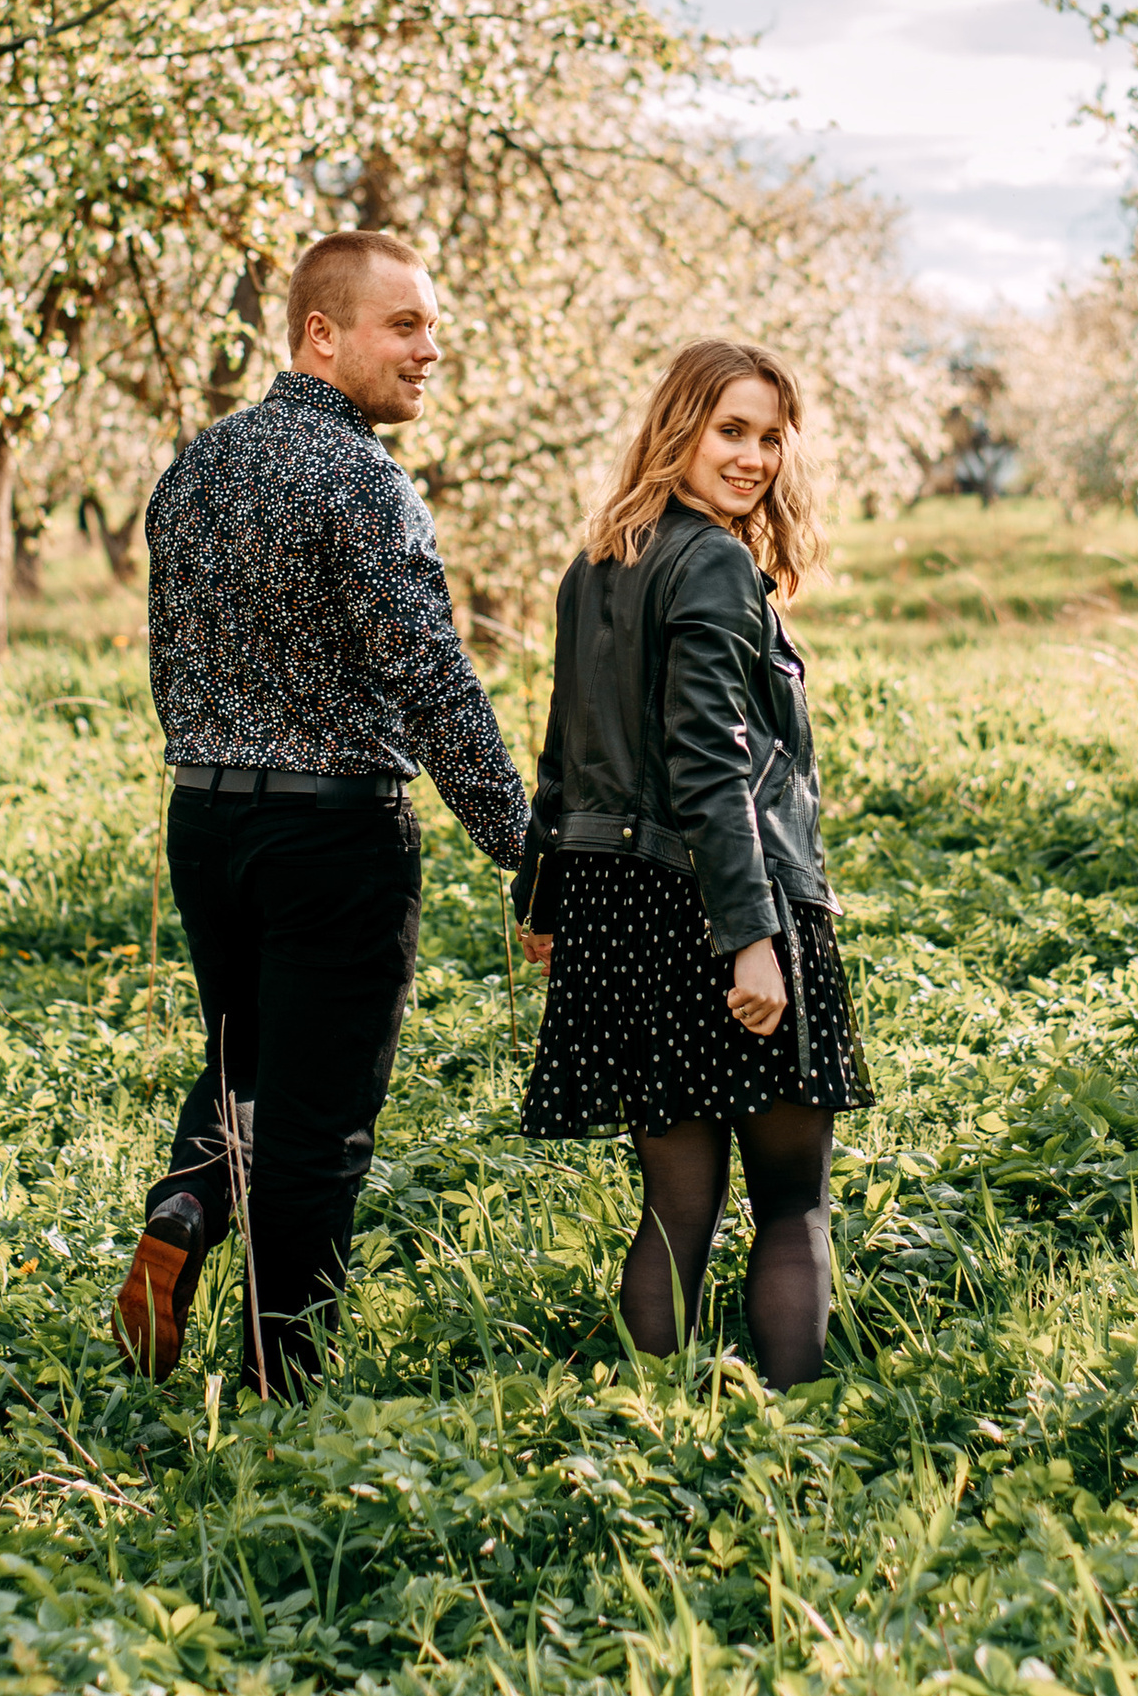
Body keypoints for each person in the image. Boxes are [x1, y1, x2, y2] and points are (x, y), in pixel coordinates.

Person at [115, 230, 528, 1392]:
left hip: (205, 823)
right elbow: (431, 676)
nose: (429, 350)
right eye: (404, 326)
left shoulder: (195, 468)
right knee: (320, 1122)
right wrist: (522, 847)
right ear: (321, 335)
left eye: (430, 326)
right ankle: (279, 1386)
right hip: (334, 832)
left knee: (248, 1059)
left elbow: (171, 662)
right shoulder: (361, 478)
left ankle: (187, 1203)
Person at [513, 340, 869, 1387]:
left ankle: (645, 1441)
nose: (754, 456)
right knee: (793, 1200)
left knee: (675, 1210)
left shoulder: (598, 562)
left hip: (619, 906)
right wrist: (751, 940)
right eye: (731, 431)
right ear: (678, 428)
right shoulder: (711, 559)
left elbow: (562, 750)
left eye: (769, 436)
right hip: (718, 899)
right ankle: (805, 1434)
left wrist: (543, 896)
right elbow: (709, 764)